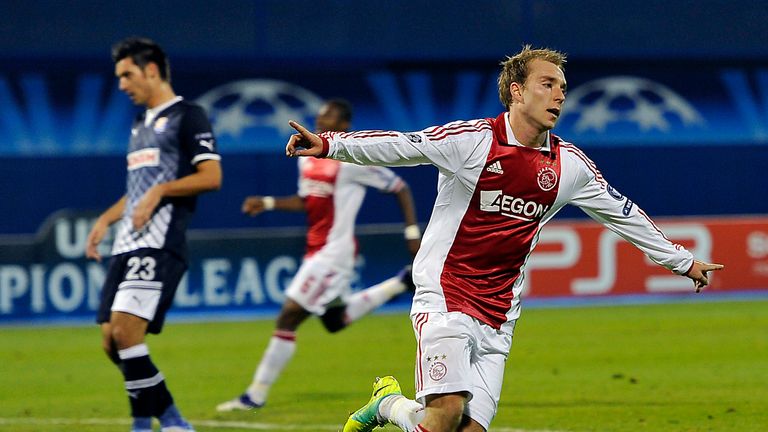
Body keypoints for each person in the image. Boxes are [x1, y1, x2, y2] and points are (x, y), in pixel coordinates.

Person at [284, 46, 724, 432]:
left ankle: (389, 405)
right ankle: (392, 405)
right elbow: (402, 144)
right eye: (547, 83)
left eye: (563, 87)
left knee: (466, 429)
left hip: (500, 313)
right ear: (516, 90)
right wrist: (327, 144)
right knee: (446, 414)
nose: (559, 95)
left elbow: (622, 213)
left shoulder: (568, 165)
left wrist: (682, 261)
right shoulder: (474, 141)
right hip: (447, 295)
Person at [216, 99, 421, 412]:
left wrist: (411, 232)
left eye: (329, 116)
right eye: (320, 114)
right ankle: (400, 283)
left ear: (344, 126)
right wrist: (268, 203)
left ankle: (254, 395)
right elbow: (306, 201)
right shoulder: (306, 158)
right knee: (333, 320)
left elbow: (400, 187)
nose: (321, 119)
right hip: (316, 251)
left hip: (334, 253)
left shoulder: (353, 160)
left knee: (288, 316)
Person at [86, 37, 222, 432]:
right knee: (112, 341)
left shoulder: (188, 115)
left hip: (160, 241)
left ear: (151, 70)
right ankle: (151, 420)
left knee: (127, 332)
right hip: (127, 242)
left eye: (126, 75)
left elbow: (211, 176)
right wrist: (105, 220)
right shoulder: (138, 124)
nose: (122, 85)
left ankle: (166, 421)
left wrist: (161, 191)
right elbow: (137, 191)